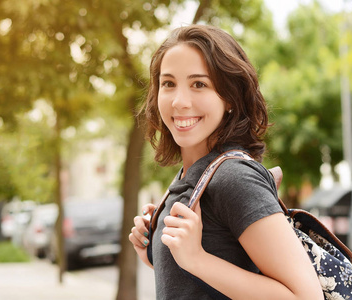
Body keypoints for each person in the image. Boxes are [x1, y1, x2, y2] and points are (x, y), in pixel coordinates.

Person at [129, 24, 323, 300]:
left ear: (229, 97)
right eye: (169, 83)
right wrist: (153, 251)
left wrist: (197, 259)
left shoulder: (234, 178)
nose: (179, 102)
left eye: (199, 84)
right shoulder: (189, 178)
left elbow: (306, 297)